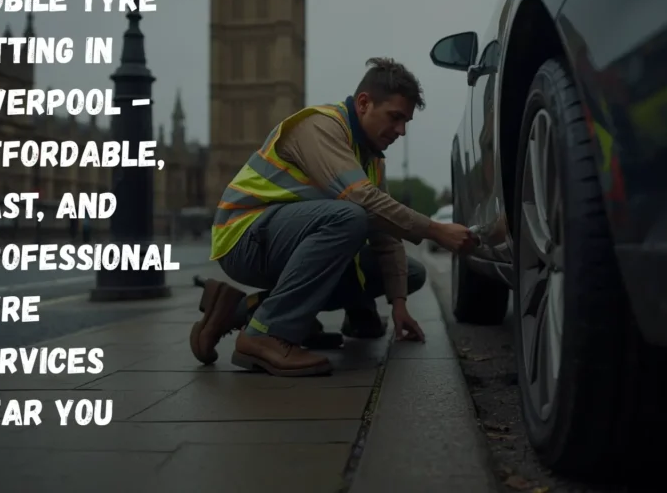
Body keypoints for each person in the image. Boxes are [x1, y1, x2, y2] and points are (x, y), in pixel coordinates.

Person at [192, 58, 476, 377]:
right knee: (349, 217)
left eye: (406, 122)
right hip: (243, 237)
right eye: (395, 118)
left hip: (282, 243)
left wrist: (399, 306)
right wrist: (436, 230)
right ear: (365, 103)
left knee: (410, 273)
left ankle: (246, 310)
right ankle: (266, 334)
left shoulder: (371, 157)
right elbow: (361, 200)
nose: (401, 131)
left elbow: (384, 233)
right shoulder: (321, 127)